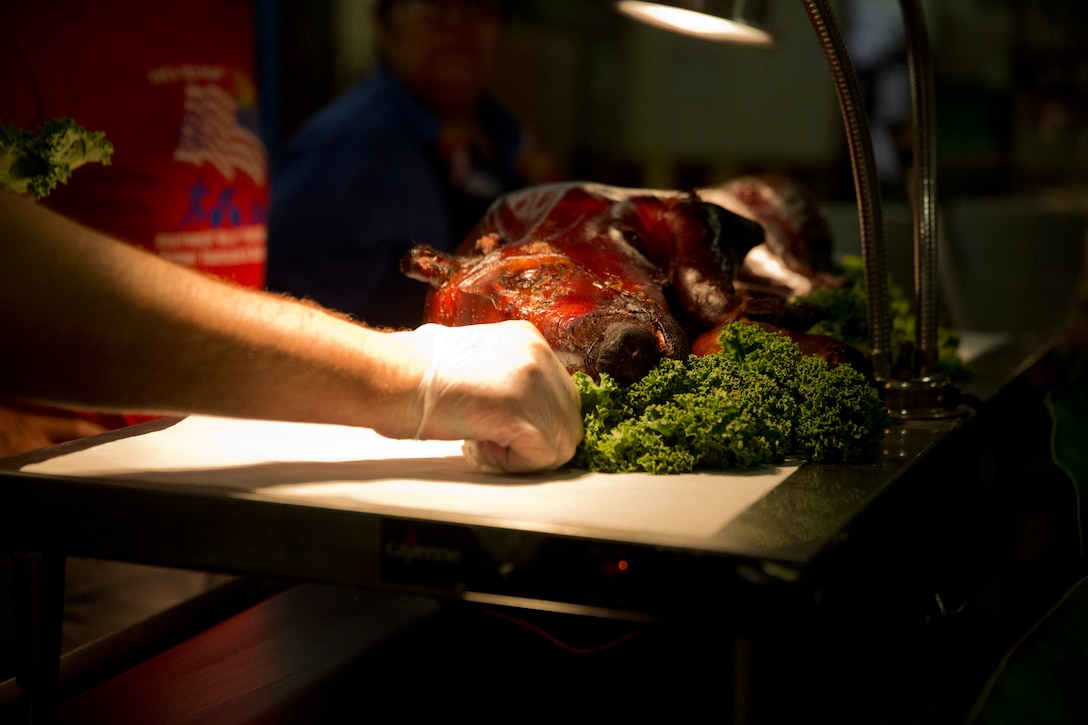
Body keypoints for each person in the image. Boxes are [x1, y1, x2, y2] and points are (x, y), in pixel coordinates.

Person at [266, 0, 526, 329]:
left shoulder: (502, 132)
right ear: (386, 23)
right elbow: (280, 315)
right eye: (435, 8)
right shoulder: (340, 148)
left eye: (478, 8)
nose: (458, 25)